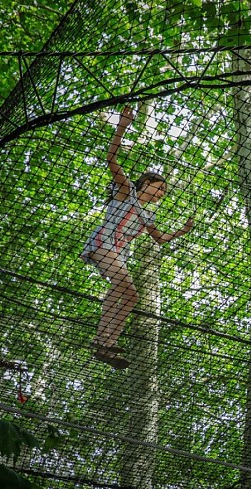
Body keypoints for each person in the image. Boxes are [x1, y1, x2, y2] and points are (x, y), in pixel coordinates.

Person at [81, 106, 193, 369]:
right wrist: (122, 126)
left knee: (130, 295)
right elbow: (111, 159)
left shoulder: (147, 216)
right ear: (146, 182)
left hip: (118, 253)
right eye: (160, 187)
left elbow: (160, 239)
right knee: (123, 283)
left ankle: (105, 343)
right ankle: (102, 340)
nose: (162, 193)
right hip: (103, 243)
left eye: (165, 191)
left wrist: (181, 231)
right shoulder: (126, 191)